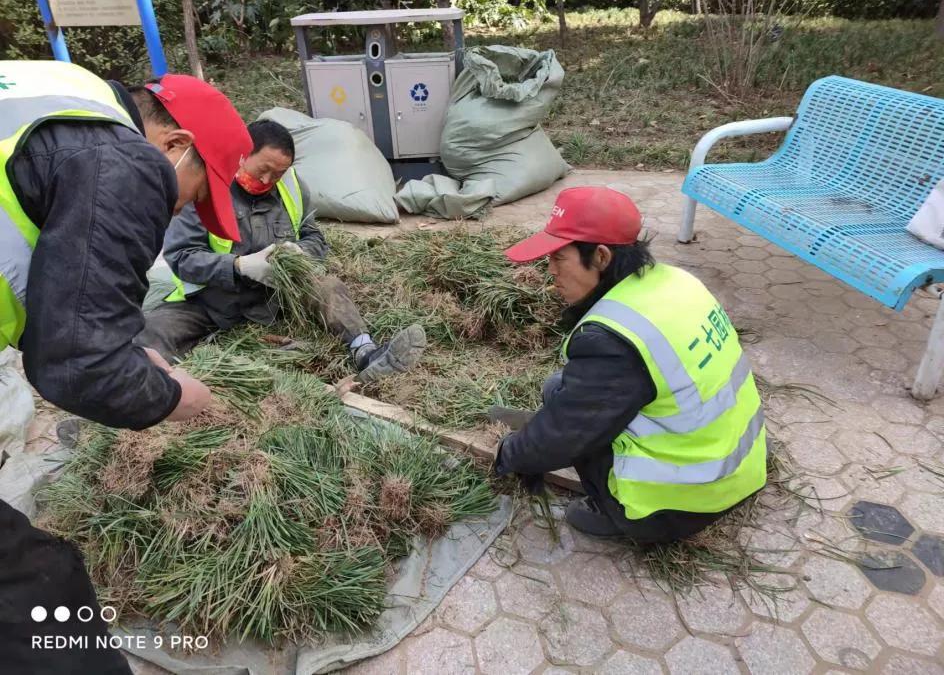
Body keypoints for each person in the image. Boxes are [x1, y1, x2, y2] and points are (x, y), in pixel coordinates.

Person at [0, 60, 251, 673]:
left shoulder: (62, 91)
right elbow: (76, 366)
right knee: (42, 590)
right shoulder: (127, 160)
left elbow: (58, 298)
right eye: (189, 197)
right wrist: (173, 397)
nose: (174, 214)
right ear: (174, 146)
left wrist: (118, 344)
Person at [493, 186, 767, 543]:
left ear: (602, 257)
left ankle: (616, 513)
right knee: (558, 390)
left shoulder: (610, 342)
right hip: (740, 464)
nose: (551, 272)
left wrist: (507, 456)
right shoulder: (676, 282)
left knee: (571, 418)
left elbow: (561, 437)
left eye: (560, 259)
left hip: (682, 503)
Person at [138, 119, 426, 381]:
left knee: (327, 286)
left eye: (277, 174)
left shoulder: (292, 187)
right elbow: (181, 257)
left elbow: (315, 236)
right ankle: (153, 388)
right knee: (152, 329)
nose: (267, 181)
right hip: (212, 302)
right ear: (242, 155)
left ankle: (367, 353)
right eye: (263, 170)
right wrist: (240, 266)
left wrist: (300, 252)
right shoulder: (205, 188)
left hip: (275, 298)